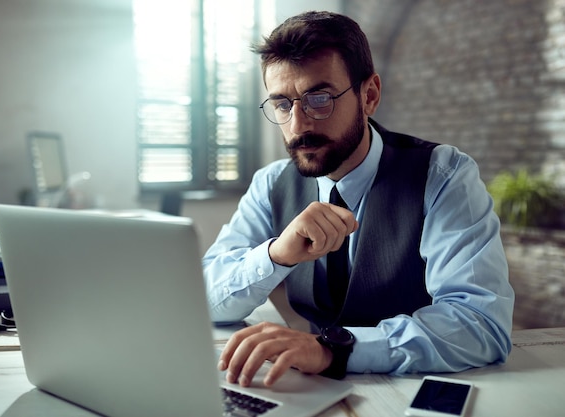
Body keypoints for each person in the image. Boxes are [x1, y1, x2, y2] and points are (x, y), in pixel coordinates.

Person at [203, 10, 514, 388]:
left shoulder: (444, 174)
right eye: (283, 104)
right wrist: (275, 256)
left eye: (319, 98)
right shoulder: (271, 184)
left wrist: (334, 349)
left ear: (369, 96)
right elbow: (205, 295)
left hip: (416, 388)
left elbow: (480, 324)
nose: (298, 125)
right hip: (317, 391)